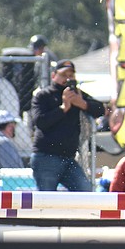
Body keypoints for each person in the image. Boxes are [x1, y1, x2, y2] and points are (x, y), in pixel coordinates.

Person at [30, 59, 105, 191]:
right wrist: (63, 107)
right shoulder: (44, 95)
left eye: (71, 75)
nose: (68, 79)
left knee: (85, 190)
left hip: (68, 158)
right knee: (46, 198)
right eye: (64, 75)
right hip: (46, 156)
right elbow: (40, 122)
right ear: (54, 76)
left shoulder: (77, 95)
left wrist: (82, 103)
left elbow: (101, 109)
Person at [0, 109, 24, 179]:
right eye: (12, 126)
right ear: (8, 127)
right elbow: (15, 170)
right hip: (0, 187)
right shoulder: (3, 142)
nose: (14, 129)